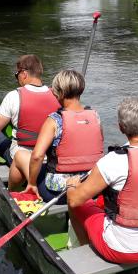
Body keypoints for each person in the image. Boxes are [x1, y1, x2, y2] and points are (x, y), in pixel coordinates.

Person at [65, 96, 138, 264]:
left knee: (78, 205)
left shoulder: (113, 160)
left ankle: (87, 255)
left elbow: (74, 199)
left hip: (122, 250)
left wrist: (72, 185)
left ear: (121, 128)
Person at [0, 54, 60, 190]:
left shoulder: (14, 96)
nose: (17, 79)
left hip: (22, 155)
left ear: (23, 74)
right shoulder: (56, 95)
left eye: (16, 75)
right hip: (48, 155)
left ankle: (12, 179)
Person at [23, 69, 103, 203]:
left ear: (59, 93)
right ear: (80, 90)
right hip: (91, 187)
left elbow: (37, 156)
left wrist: (32, 182)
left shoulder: (55, 120)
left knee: (21, 156)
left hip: (59, 193)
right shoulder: (95, 116)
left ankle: (21, 190)